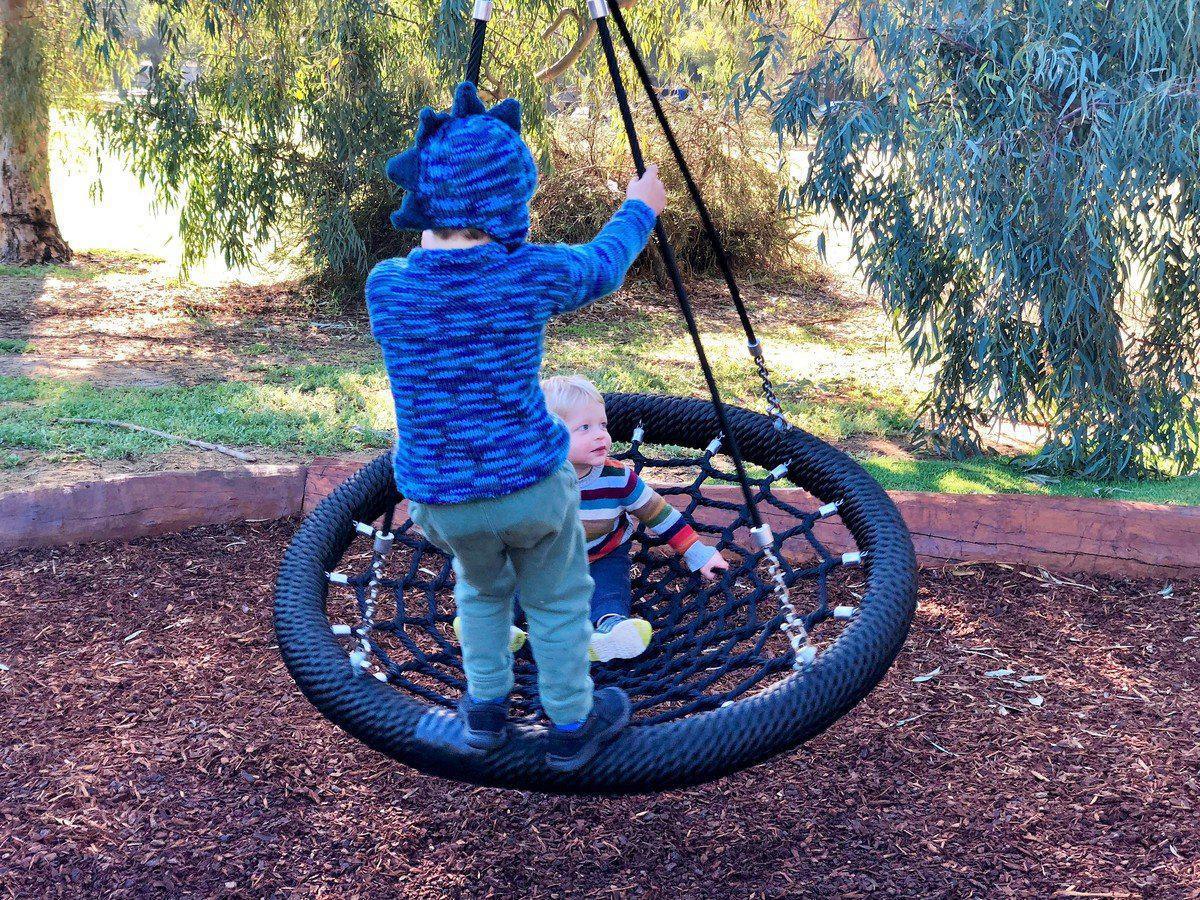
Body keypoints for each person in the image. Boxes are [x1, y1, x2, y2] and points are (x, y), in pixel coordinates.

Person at [365, 82, 666, 772]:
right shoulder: (526, 273)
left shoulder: (386, 284)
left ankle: (485, 714)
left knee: (481, 591)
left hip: (440, 502)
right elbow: (602, 263)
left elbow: (438, 280)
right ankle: (571, 726)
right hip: (529, 487)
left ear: (428, 193)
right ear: (511, 203)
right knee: (558, 600)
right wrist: (639, 208)